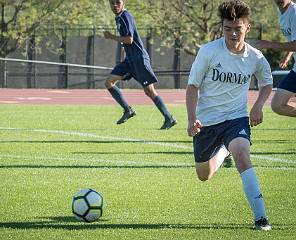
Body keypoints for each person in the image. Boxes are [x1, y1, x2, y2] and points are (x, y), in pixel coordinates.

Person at [186, 0, 273, 231]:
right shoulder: (208, 52)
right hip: (207, 122)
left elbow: (267, 83)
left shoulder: (256, 57)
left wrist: (258, 106)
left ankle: (261, 217)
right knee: (203, 175)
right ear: (221, 27)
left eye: (238, 28)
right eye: (227, 28)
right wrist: (191, 118)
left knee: (243, 156)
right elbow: (193, 86)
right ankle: (223, 151)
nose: (233, 34)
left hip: (236, 119)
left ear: (248, 27)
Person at [103, 0, 176, 129]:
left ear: (123, 2)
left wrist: (111, 36)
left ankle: (169, 118)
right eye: (112, 3)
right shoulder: (119, 18)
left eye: (118, 2)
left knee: (150, 91)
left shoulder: (126, 16)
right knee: (109, 82)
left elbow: (129, 39)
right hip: (130, 60)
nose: (115, 5)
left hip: (139, 59)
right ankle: (128, 110)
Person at [255, 0, 296, 117]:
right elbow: (292, 39)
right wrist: (287, 56)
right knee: (278, 105)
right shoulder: (282, 12)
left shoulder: (294, 12)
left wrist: (268, 44)